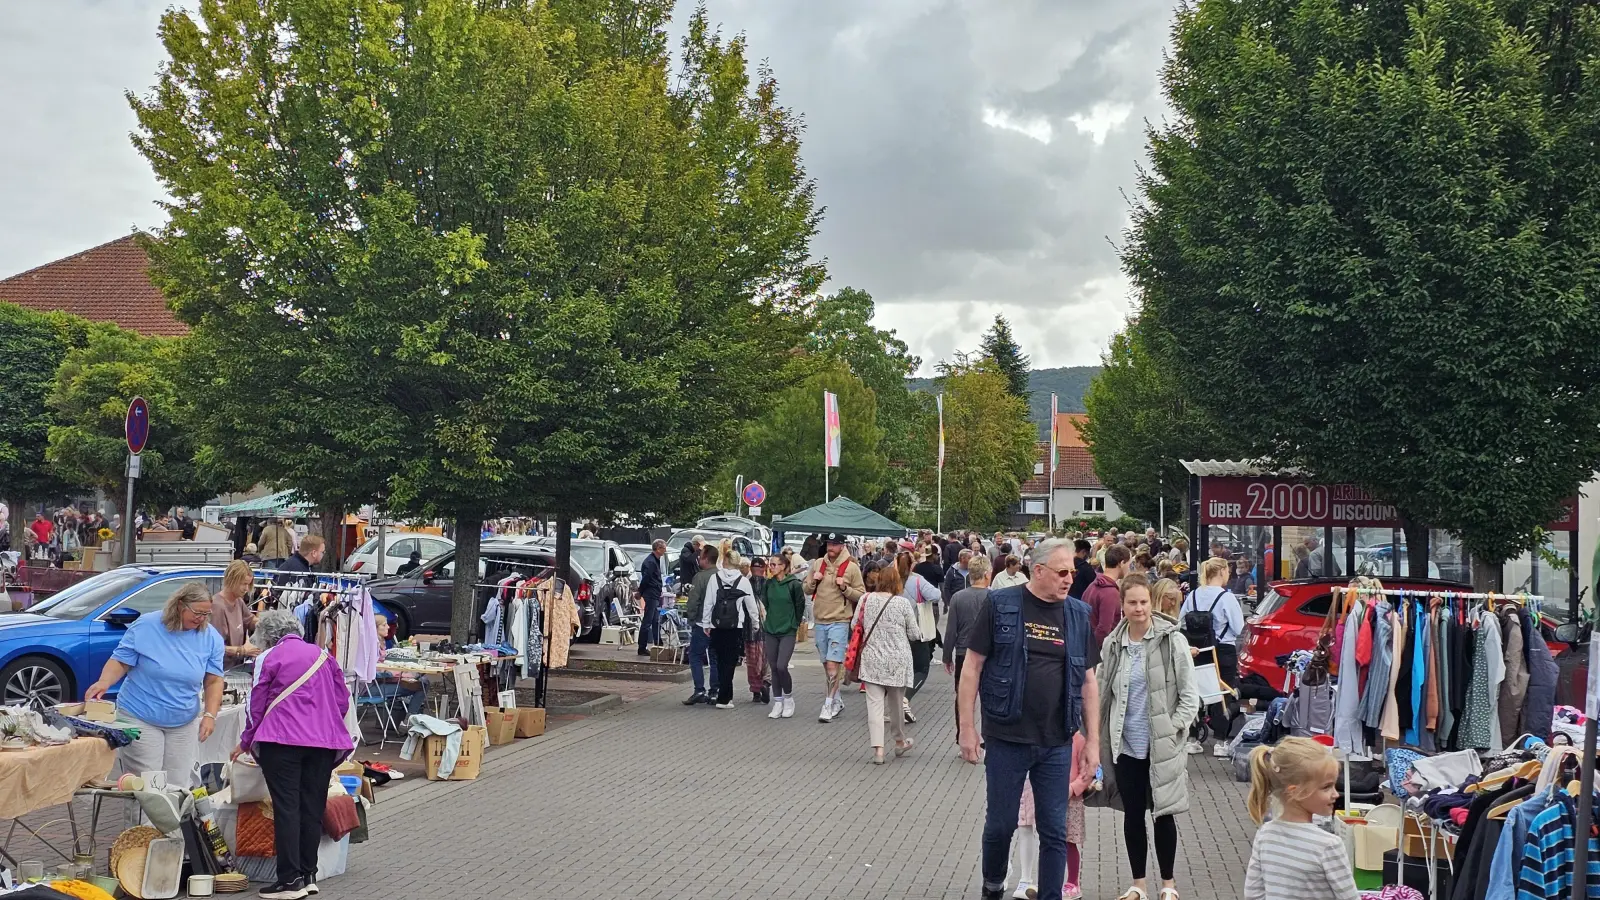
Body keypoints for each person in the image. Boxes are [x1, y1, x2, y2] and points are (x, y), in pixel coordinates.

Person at [958, 539, 1101, 900]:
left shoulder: (1078, 615)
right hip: (1007, 736)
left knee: (1054, 830)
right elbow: (972, 666)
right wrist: (967, 728)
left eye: (1072, 572)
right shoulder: (1001, 604)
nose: (1070, 579)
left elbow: (1088, 682)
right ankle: (993, 885)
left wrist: (1093, 742)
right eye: (1062, 572)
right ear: (1038, 571)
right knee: (1000, 825)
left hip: (1057, 740)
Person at [235, 609, 353, 900]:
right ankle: (309, 874)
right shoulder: (324, 656)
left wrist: (246, 740)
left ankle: (289, 880)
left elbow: (256, 704)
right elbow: (342, 701)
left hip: (281, 740)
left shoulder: (268, 657)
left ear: (267, 636)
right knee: (312, 807)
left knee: (287, 807)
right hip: (323, 742)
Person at [1097, 573, 1201, 900]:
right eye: (1132, 602)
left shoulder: (1173, 641)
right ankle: (1138, 884)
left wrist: (1173, 728)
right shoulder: (1114, 644)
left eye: (1143, 602)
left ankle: (1168, 884)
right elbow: (1102, 692)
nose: (1139, 608)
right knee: (1133, 815)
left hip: (1162, 745)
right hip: (1126, 744)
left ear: (1150, 602)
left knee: (1163, 813)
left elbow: (1190, 696)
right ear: (1123, 605)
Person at [87, 582, 225, 790]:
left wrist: (210, 715)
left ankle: (172, 814)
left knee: (178, 785)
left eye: (206, 614)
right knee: (146, 785)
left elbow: (214, 680)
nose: (201, 619)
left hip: (183, 721)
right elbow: (121, 661)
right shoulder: (146, 625)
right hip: (140, 715)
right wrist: (104, 682)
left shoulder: (211, 637)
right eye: (197, 613)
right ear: (180, 605)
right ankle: (142, 814)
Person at [1242, 737, 1356, 900]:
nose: (1335, 794)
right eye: (1326, 787)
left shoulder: (1265, 834)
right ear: (1295, 791)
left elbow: (1253, 894)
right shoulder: (1328, 845)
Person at [853, 558, 921, 764]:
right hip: (898, 660)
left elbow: (855, 625)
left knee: (874, 706)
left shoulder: (866, 599)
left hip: (872, 659)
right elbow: (914, 633)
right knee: (896, 704)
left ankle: (878, 751)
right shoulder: (903, 603)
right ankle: (899, 741)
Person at [1180, 557, 1246, 758]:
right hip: (1222, 650)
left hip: (1197, 650)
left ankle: (1192, 739)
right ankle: (1220, 741)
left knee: (1195, 692)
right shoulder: (1227, 598)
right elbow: (1238, 627)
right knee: (1222, 693)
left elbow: (1181, 622)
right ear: (1222, 572)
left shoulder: (1193, 595)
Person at [803, 533, 865, 723]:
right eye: (829, 543)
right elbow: (806, 589)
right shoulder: (818, 564)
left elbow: (861, 594)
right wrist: (813, 580)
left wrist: (845, 588)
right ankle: (837, 699)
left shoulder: (851, 567)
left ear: (842, 546)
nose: (831, 547)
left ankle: (828, 704)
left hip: (840, 620)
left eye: (835, 544)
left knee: (832, 665)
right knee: (826, 664)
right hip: (820, 620)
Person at [699, 545, 759, 710]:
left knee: (719, 660)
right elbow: (751, 606)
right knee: (730, 662)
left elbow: (708, 603)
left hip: (717, 625)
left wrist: (706, 623)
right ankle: (725, 698)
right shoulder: (743, 581)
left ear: (725, 561)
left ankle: (723, 695)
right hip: (735, 626)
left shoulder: (714, 579)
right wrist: (755, 623)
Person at [943, 554, 992, 735]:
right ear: (986, 574)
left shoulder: (957, 597)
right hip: (989, 654)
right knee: (989, 697)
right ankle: (988, 734)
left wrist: (947, 656)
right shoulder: (994, 597)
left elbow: (951, 631)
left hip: (963, 653)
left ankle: (962, 733)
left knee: (963, 696)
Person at [896, 550, 942, 724]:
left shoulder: (890, 579)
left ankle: (893, 705)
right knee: (921, 668)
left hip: (894, 633)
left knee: (899, 670)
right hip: (916, 631)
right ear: (912, 565)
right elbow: (936, 595)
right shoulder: (917, 580)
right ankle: (905, 700)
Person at [761, 553, 806, 719]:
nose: (771, 567)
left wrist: (794, 624)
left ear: (783, 566)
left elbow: (800, 605)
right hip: (771, 629)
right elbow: (765, 603)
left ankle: (788, 698)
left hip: (787, 630)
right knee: (773, 667)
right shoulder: (768, 584)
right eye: (770, 564)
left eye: (774, 564)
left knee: (781, 666)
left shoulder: (793, 584)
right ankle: (778, 701)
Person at [681, 545, 719, 705]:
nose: (698, 559)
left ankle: (699, 690)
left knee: (695, 655)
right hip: (718, 624)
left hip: (702, 622)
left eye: (700, 556)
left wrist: (691, 618)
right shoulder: (721, 575)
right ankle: (715, 691)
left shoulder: (700, 577)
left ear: (706, 559)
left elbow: (694, 600)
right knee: (715, 657)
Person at [212, 560, 260, 664]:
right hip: (222, 668)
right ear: (232, 580)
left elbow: (250, 620)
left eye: (248, 584)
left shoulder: (238, 601)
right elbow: (214, 647)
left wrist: (269, 624)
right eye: (244, 584)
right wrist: (242, 651)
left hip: (236, 666)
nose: (246, 589)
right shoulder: (217, 607)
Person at [1086, 545, 1131, 646]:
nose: (1128, 568)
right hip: (1101, 650)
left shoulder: (1092, 586)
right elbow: (1104, 629)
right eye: (1128, 564)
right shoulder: (1110, 593)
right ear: (1122, 563)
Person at [744, 556, 770, 703]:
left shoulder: (745, 583)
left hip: (749, 629)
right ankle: (765, 683)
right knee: (765, 659)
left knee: (752, 662)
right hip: (766, 629)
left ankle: (756, 690)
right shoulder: (769, 584)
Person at [636, 539, 666, 656]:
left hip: (654, 593)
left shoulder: (654, 560)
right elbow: (646, 579)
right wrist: (640, 591)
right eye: (663, 548)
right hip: (651, 594)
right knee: (648, 620)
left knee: (655, 620)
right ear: (658, 549)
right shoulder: (651, 562)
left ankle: (658, 643)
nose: (665, 550)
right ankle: (642, 647)